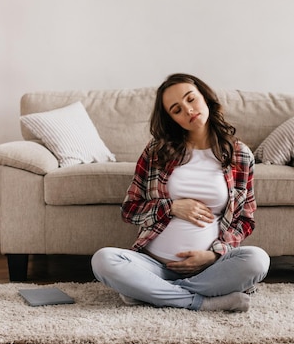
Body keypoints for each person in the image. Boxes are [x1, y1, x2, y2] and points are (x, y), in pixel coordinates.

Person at [91, 73, 270, 312]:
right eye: (176, 109)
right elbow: (129, 210)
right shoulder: (156, 151)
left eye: (191, 99)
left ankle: (150, 292)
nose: (188, 110)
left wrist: (215, 256)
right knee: (103, 260)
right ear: (172, 119)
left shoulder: (239, 154)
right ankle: (201, 301)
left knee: (258, 260)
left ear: (205, 97)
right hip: (153, 264)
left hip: (209, 267)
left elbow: (245, 219)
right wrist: (171, 207)